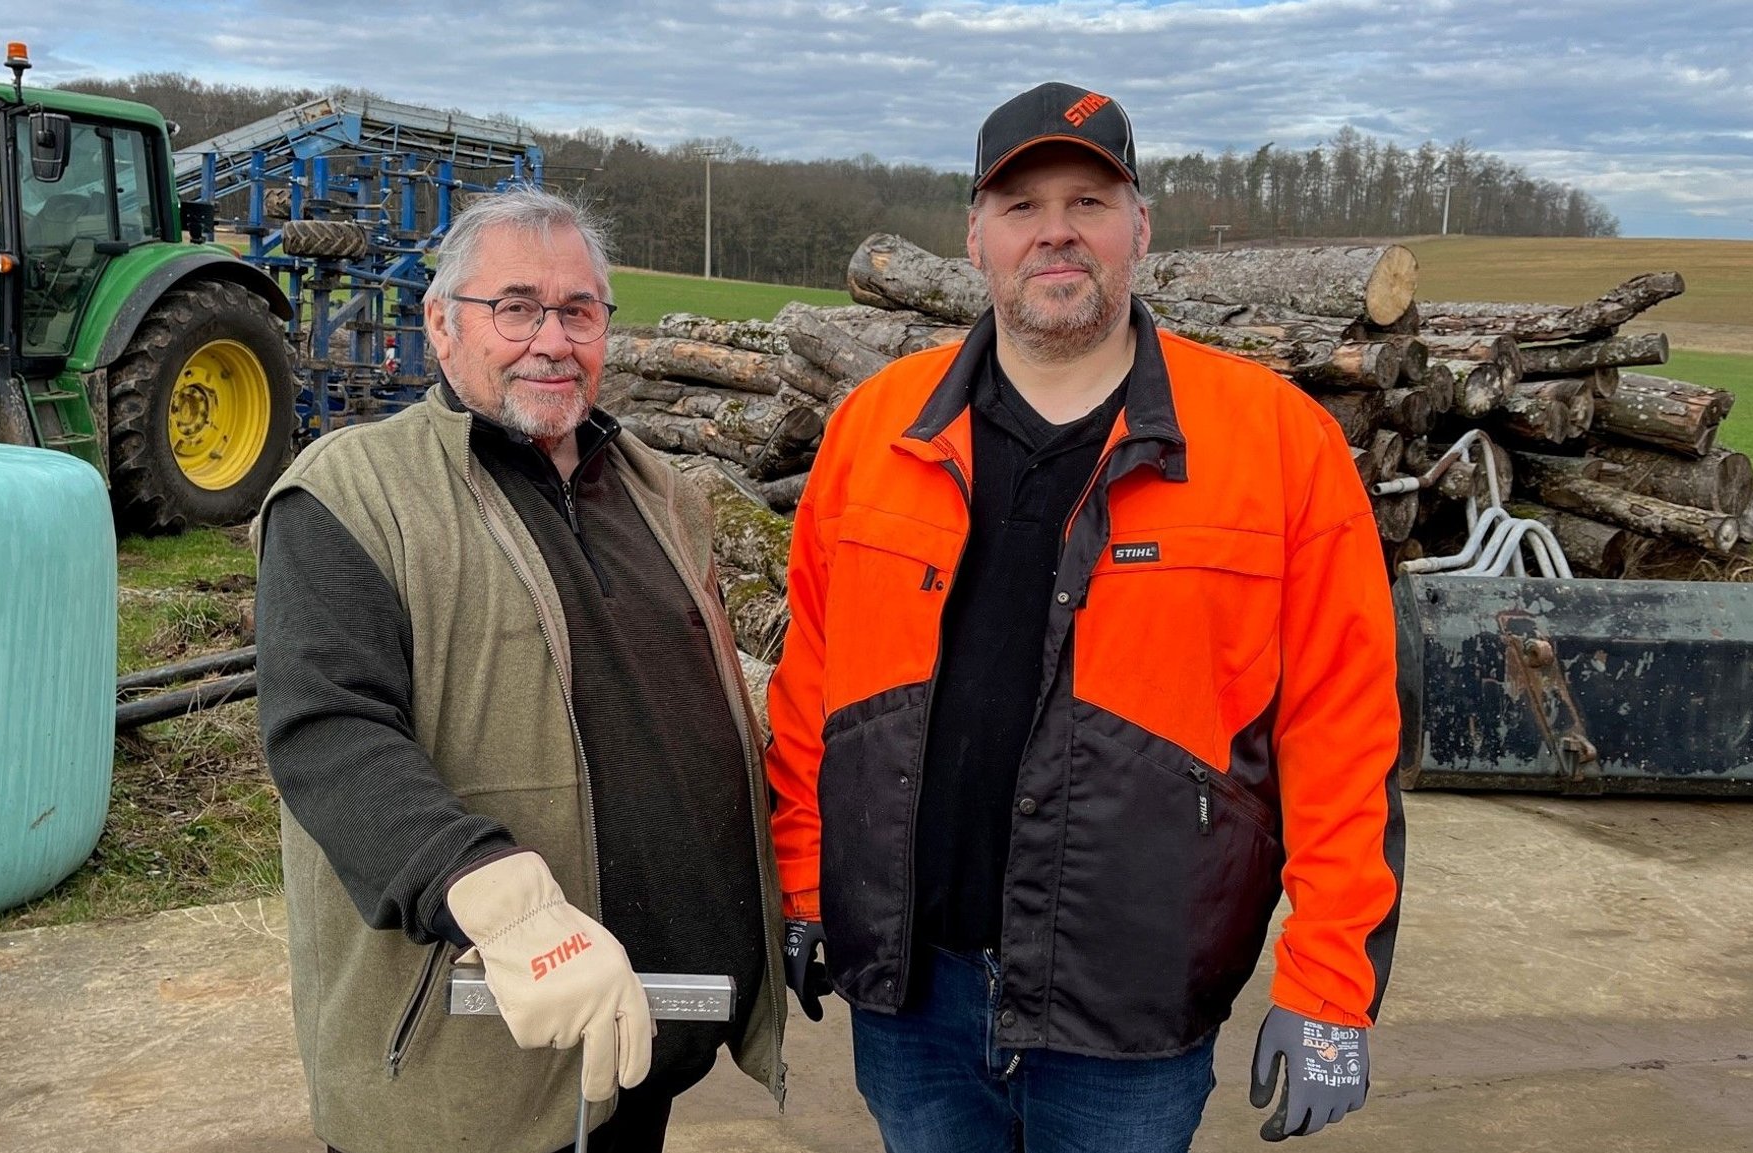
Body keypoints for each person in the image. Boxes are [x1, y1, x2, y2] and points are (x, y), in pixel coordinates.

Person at [767, 82, 1404, 1151]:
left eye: (1087, 201)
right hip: (912, 999)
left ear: (1138, 228)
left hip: (1129, 1012)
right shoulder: (873, 431)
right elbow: (809, 693)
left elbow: (1343, 734)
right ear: (974, 236)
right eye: (1019, 206)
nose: (1054, 231)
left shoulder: (1275, 445)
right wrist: (803, 881)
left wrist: (1330, 984)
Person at [253, 186, 787, 1153]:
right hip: (472, 1060)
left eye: (579, 311)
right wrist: (497, 894)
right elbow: (327, 732)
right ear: (440, 325)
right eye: (516, 307)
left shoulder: (660, 495)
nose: (552, 338)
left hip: (636, 1048)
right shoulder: (350, 495)